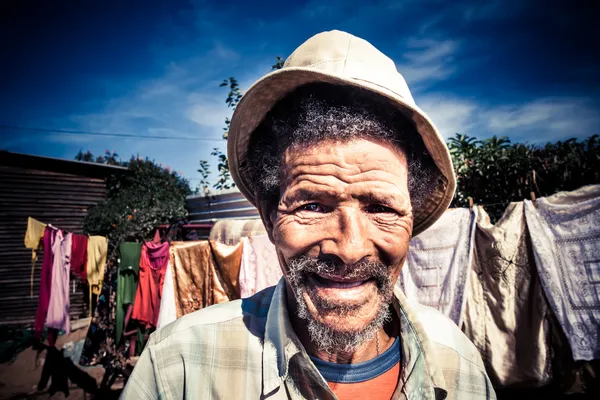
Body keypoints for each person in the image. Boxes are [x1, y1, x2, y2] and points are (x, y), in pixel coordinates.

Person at [121, 30, 495, 400]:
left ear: (410, 220)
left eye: (381, 208)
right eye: (313, 206)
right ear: (270, 218)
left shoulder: (458, 365)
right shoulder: (178, 369)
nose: (349, 249)